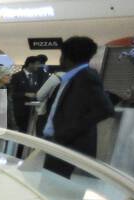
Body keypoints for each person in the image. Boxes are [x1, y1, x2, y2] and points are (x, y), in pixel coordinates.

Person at [40, 35, 115, 178]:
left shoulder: (86, 77)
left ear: (67, 57)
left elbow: (105, 109)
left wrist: (68, 131)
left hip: (69, 146)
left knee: (56, 190)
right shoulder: (73, 77)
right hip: (60, 143)